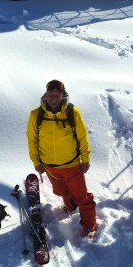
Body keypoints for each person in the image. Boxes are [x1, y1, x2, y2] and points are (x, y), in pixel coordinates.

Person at [27, 79, 99, 235]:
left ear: (63, 95)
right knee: (61, 191)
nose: (54, 97)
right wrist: (36, 161)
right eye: (51, 94)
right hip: (49, 166)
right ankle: (70, 207)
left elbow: (82, 137)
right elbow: (32, 139)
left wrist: (85, 159)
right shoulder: (36, 115)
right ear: (45, 94)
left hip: (71, 164)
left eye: (57, 94)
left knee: (82, 197)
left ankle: (90, 225)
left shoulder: (73, 113)